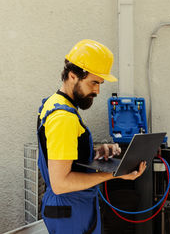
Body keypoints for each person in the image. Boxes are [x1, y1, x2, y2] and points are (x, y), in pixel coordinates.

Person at [37, 39, 146, 234]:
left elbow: (60, 153)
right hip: (70, 209)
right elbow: (61, 184)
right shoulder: (63, 118)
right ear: (72, 76)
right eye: (93, 82)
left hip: (70, 207)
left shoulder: (55, 103)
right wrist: (114, 174)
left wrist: (95, 152)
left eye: (100, 84)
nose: (97, 90)